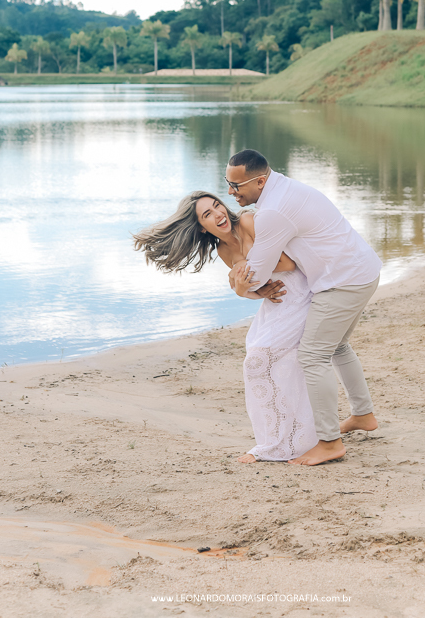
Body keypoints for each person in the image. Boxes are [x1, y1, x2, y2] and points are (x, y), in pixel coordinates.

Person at [133, 191, 318, 463]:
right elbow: (248, 289)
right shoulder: (223, 249)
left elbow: (288, 263)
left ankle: (293, 441)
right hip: (277, 300)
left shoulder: (249, 222)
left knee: (261, 360)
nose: (218, 214)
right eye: (207, 214)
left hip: (301, 293)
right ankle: (279, 440)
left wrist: (243, 270)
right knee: (259, 360)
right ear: (200, 226)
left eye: (217, 205)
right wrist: (248, 290)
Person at [226, 149, 382, 466]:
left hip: (342, 282)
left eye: (236, 185)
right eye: (228, 183)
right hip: (361, 270)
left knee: (312, 355)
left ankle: (329, 442)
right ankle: (363, 415)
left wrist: (240, 284)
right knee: (337, 346)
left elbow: (258, 272)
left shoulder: (272, 211)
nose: (230, 192)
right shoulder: (285, 189)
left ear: (260, 181)